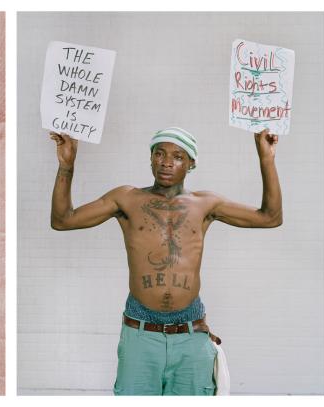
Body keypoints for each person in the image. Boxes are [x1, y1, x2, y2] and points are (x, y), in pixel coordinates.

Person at [49, 127, 282, 395]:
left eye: (178, 156)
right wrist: (67, 165)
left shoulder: (205, 204)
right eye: (159, 154)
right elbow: (63, 220)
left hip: (190, 333)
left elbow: (270, 217)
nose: (166, 162)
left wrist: (266, 159)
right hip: (140, 331)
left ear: (191, 163)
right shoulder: (127, 198)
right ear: (150, 158)